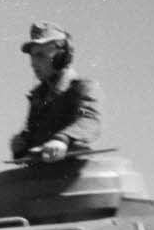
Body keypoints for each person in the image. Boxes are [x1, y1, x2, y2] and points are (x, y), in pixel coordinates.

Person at [9, 22, 102, 163]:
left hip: (73, 171)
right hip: (43, 172)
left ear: (61, 56)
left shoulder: (83, 88)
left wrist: (62, 140)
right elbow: (33, 133)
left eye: (40, 55)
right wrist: (22, 144)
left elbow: (90, 121)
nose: (33, 63)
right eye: (32, 56)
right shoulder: (38, 96)